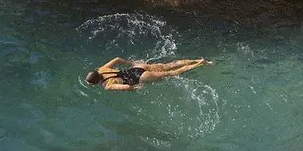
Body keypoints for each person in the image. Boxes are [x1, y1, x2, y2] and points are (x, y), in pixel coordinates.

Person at [85, 56, 214, 91]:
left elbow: (128, 87)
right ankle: (200, 60)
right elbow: (118, 59)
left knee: (173, 73)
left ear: (96, 82)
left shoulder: (107, 86)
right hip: (137, 68)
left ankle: (200, 64)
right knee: (170, 65)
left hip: (141, 77)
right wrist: (131, 63)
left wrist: (137, 88)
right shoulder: (102, 69)